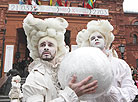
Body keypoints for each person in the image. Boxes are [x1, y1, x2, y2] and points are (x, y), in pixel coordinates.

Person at [22, 14, 98, 102]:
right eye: (42, 45)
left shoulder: (65, 71)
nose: (46, 47)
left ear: (57, 49)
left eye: (50, 45)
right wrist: (70, 95)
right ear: (37, 49)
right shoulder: (35, 77)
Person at [76, 20, 138, 102]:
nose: (96, 39)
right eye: (92, 38)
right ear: (89, 44)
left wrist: (109, 90)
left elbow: (131, 91)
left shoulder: (120, 64)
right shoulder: (84, 66)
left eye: (99, 37)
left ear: (106, 41)